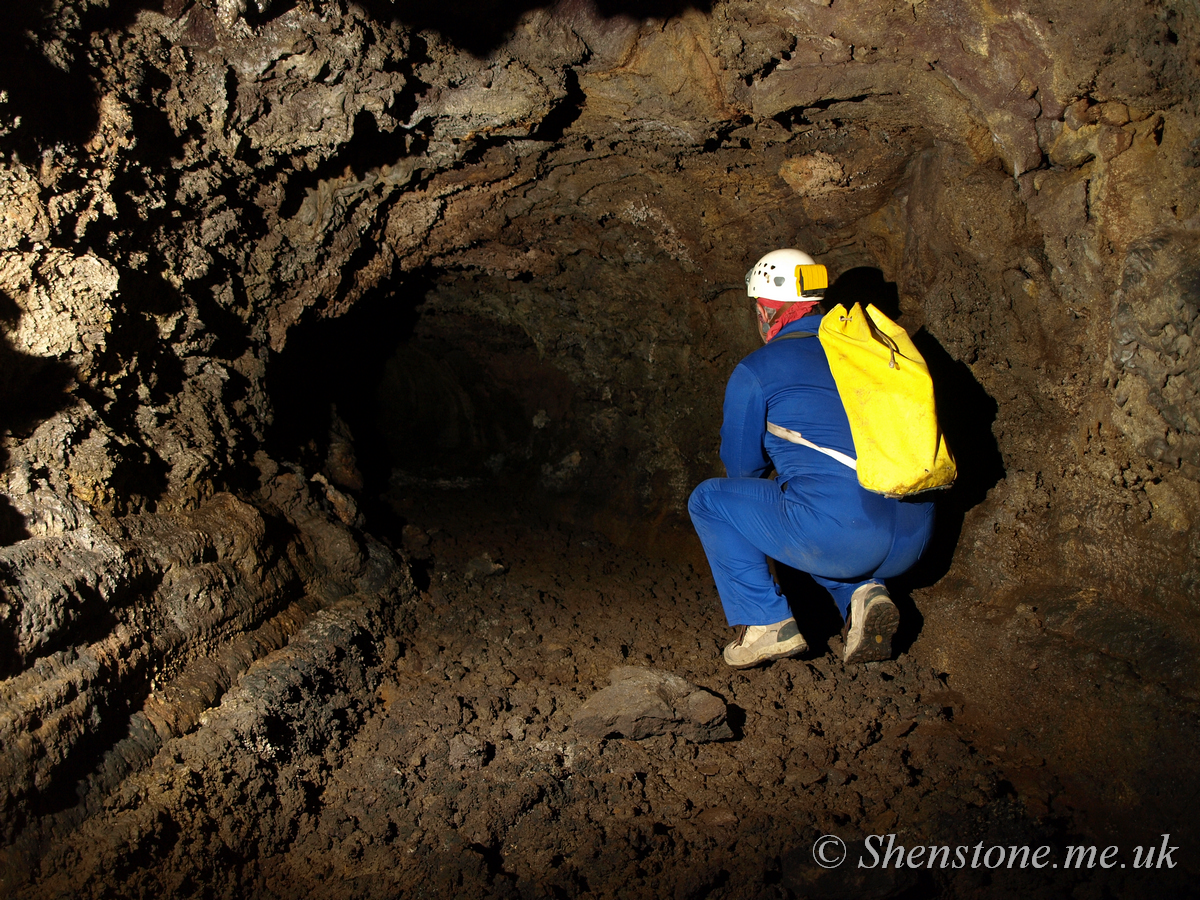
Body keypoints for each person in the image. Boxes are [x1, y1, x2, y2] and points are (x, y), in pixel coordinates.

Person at [688, 249, 936, 669]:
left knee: (712, 500)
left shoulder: (758, 368)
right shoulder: (873, 351)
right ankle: (863, 595)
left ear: (768, 309)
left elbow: (742, 469)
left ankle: (767, 626)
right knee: (810, 504)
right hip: (915, 534)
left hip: (845, 535)